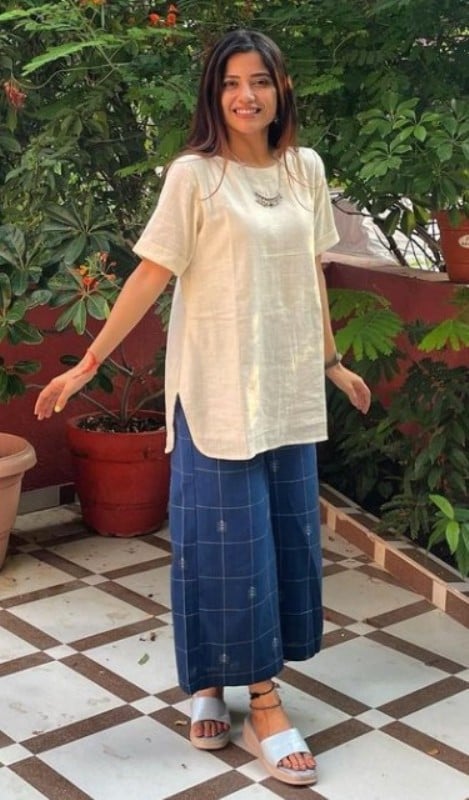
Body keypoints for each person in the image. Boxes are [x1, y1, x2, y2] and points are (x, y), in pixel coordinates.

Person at [35, 29, 371, 787]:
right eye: (230, 83)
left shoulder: (306, 170)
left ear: (282, 88)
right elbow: (151, 275)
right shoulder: (194, 176)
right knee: (224, 548)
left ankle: (213, 681)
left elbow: (311, 272)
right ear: (213, 95)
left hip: (285, 390)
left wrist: (331, 361)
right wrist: (87, 364)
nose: (246, 96)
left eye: (260, 81)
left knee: (280, 544)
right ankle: (262, 704)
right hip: (216, 392)